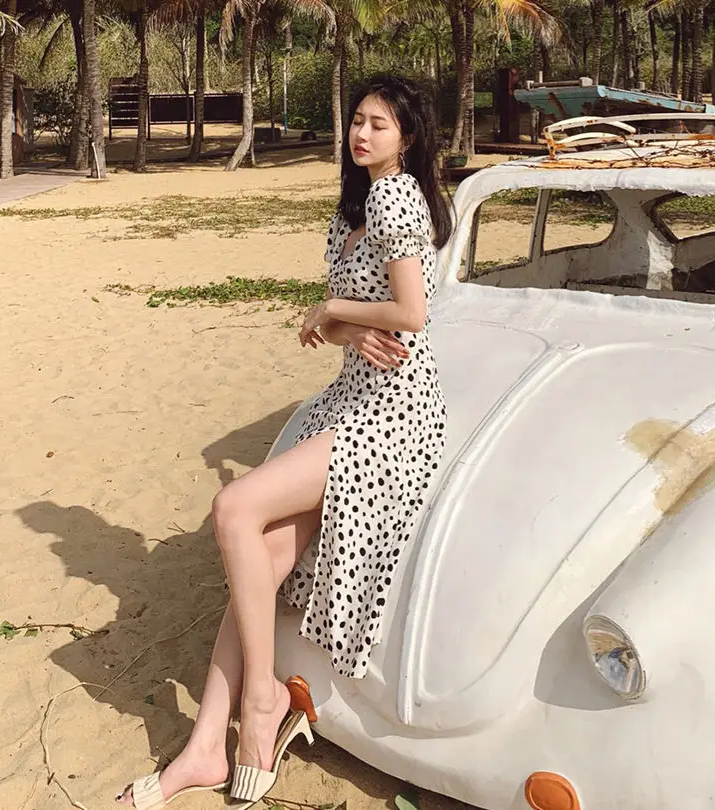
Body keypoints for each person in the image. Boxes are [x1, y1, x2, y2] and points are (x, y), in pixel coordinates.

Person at [117, 73, 452, 810]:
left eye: (379, 124)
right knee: (260, 562)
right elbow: (346, 325)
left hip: (394, 412)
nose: (361, 133)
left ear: (408, 138)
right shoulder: (356, 206)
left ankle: (262, 703)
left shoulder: (397, 198)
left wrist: (331, 309)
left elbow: (412, 314)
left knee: (234, 507)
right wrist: (343, 326)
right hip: (349, 398)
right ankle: (207, 745)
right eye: (357, 120)